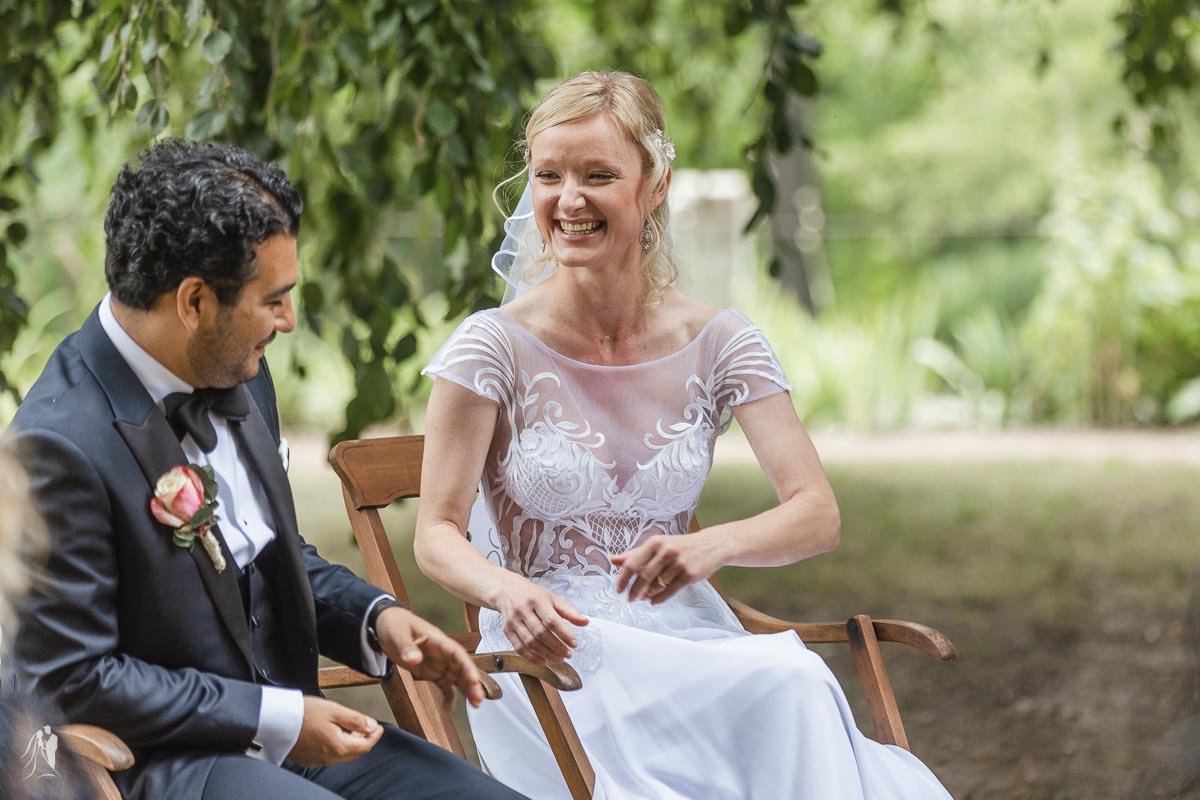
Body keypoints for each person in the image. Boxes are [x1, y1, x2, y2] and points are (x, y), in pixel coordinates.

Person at [416, 71, 955, 798]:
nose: (568, 200)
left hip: (686, 638)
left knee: (790, 677)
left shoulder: (720, 340)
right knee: (788, 680)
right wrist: (506, 591)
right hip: (553, 656)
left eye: (598, 175)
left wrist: (713, 545)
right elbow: (436, 533)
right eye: (549, 176)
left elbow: (817, 513)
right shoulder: (490, 348)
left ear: (655, 183)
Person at [3, 140, 526, 800]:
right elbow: (73, 679)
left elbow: (268, 557)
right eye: (274, 299)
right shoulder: (56, 446)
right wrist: (272, 716)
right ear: (194, 302)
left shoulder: (238, 367)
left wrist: (377, 619)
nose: (289, 319)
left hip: (288, 739)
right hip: (153, 763)